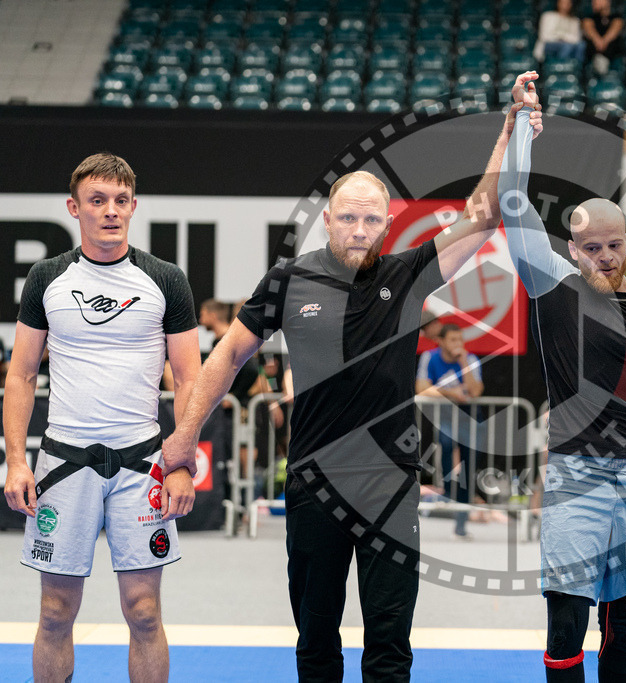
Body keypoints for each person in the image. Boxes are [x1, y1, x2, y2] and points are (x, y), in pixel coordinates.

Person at [160, 75, 543, 682]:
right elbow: (227, 357)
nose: (360, 231)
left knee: (389, 645)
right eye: (347, 219)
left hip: (391, 485)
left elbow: (483, 214)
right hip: (315, 484)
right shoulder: (288, 281)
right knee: (315, 640)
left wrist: (509, 132)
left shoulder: (411, 273)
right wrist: (183, 437)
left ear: (387, 222)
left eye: (371, 219)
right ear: (328, 221)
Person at [499, 88, 626, 683]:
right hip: (575, 476)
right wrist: (520, 132)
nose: (604, 259)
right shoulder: (552, 285)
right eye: (591, 249)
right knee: (565, 621)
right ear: (571, 250)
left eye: (614, 246)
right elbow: (515, 209)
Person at [2, 153, 200, 683]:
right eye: (97, 201)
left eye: (120, 201)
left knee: (143, 612)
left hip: (143, 467)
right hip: (64, 466)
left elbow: (189, 381)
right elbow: (20, 376)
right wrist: (17, 462)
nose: (110, 211)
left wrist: (182, 463)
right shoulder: (48, 277)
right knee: (54, 614)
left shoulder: (165, 279)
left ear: (133, 206)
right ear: (74, 207)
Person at [415, 323, 484, 539]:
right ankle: (446, 488)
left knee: (467, 468)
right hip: (445, 419)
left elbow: (475, 391)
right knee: (444, 443)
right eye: (453, 340)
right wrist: (452, 393)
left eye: (460, 340)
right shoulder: (430, 357)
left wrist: (463, 362)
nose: (458, 345)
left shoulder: (470, 360)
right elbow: (422, 388)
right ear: (442, 341)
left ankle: (461, 523)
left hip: (469, 421)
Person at [582, 0, 625, 75]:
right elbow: (588, 28)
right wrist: (597, 41)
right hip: (593, 53)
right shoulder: (589, 18)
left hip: (611, 54)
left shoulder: (616, 17)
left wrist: (604, 41)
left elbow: (615, 29)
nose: (594, 2)